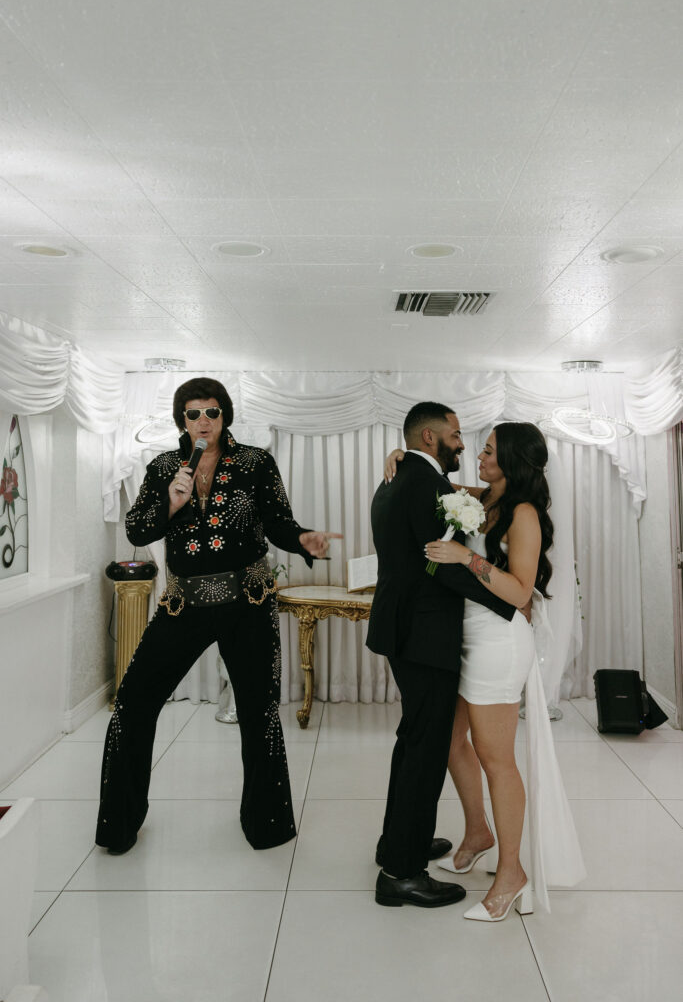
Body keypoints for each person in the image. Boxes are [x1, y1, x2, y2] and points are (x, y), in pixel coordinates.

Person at [96, 377, 339, 855]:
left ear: (225, 415)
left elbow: (279, 523)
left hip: (247, 602)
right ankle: (119, 824)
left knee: (259, 713)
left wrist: (304, 538)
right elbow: (137, 526)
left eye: (212, 412)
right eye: (193, 414)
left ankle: (267, 824)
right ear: (180, 420)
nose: (203, 421)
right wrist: (173, 501)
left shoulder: (254, 463)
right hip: (183, 605)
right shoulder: (165, 466)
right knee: (133, 704)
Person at [388, 421, 585, 920]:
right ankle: (478, 829)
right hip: (463, 638)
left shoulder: (522, 513)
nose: (479, 455)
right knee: (451, 741)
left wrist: (463, 558)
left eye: (491, 450)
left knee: (497, 758)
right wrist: (398, 456)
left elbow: (521, 592)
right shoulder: (480, 497)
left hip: (499, 641)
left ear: (513, 460)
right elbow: (429, 480)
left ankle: (512, 873)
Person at [366, 402, 517, 909]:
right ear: (430, 438)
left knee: (414, 741)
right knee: (426, 750)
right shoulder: (424, 484)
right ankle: (402, 873)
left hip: (404, 629)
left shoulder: (397, 477)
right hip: (425, 637)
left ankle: (398, 841)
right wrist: (510, 602)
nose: (462, 444)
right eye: (455, 435)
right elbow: (440, 565)